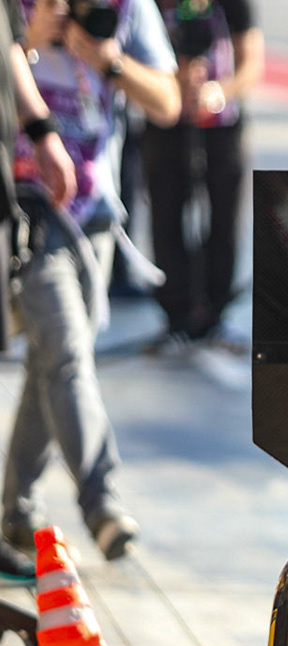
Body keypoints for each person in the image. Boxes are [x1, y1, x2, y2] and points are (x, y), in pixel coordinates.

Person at [1, 0, 178, 571]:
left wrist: (110, 61)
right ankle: (101, 499)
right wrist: (25, 39)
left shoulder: (127, 11)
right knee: (68, 354)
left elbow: (169, 104)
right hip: (27, 207)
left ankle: (16, 513)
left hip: (97, 214)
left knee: (52, 363)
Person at [141, 0, 257, 349]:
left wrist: (220, 91)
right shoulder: (151, 6)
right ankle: (177, 314)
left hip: (221, 125)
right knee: (166, 216)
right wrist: (169, 82)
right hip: (164, 122)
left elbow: (252, 62)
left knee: (224, 219)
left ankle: (216, 313)